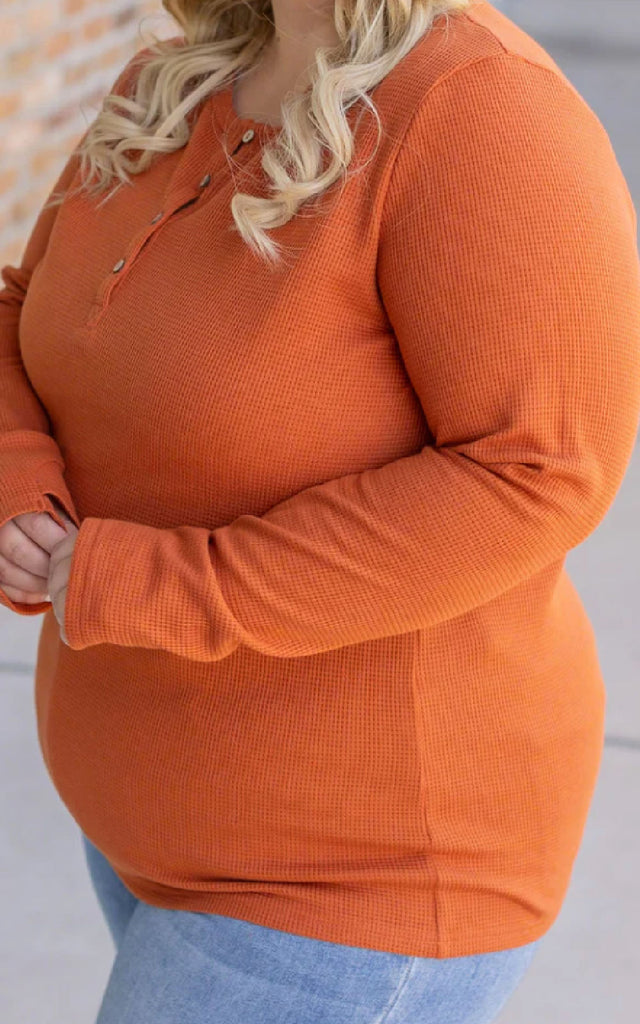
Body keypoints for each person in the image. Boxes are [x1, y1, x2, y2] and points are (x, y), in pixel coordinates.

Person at [1, 1, 638, 1021]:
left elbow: (536, 473)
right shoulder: (182, 79)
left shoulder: (485, 112)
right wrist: (16, 476)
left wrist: (164, 585)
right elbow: (24, 311)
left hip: (354, 876)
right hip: (151, 822)